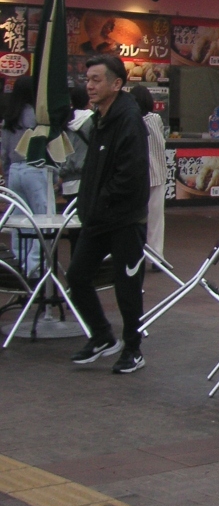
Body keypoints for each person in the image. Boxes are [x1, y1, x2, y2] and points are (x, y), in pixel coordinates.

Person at [66, 55, 150, 374]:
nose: (89, 85)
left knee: (127, 286)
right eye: (87, 79)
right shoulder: (100, 117)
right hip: (98, 219)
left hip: (125, 220)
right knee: (77, 276)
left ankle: (133, 349)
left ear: (116, 84)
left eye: (96, 79)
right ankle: (102, 336)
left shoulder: (128, 119)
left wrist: (100, 202)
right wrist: (88, 207)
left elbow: (129, 174)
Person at [1, 76, 48, 275]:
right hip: (35, 169)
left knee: (20, 221)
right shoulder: (37, 116)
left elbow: (3, 152)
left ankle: (20, 265)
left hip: (14, 171)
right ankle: (35, 269)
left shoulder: (9, 117)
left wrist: (7, 173)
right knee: (43, 221)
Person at [130, 86, 166, 264]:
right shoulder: (156, 118)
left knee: (135, 218)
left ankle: (135, 254)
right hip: (158, 173)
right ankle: (156, 257)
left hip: (137, 175)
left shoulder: (130, 120)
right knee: (156, 219)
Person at [58, 85, 94, 199]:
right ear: (88, 100)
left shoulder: (65, 120)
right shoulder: (92, 120)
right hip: (85, 179)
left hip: (66, 181)